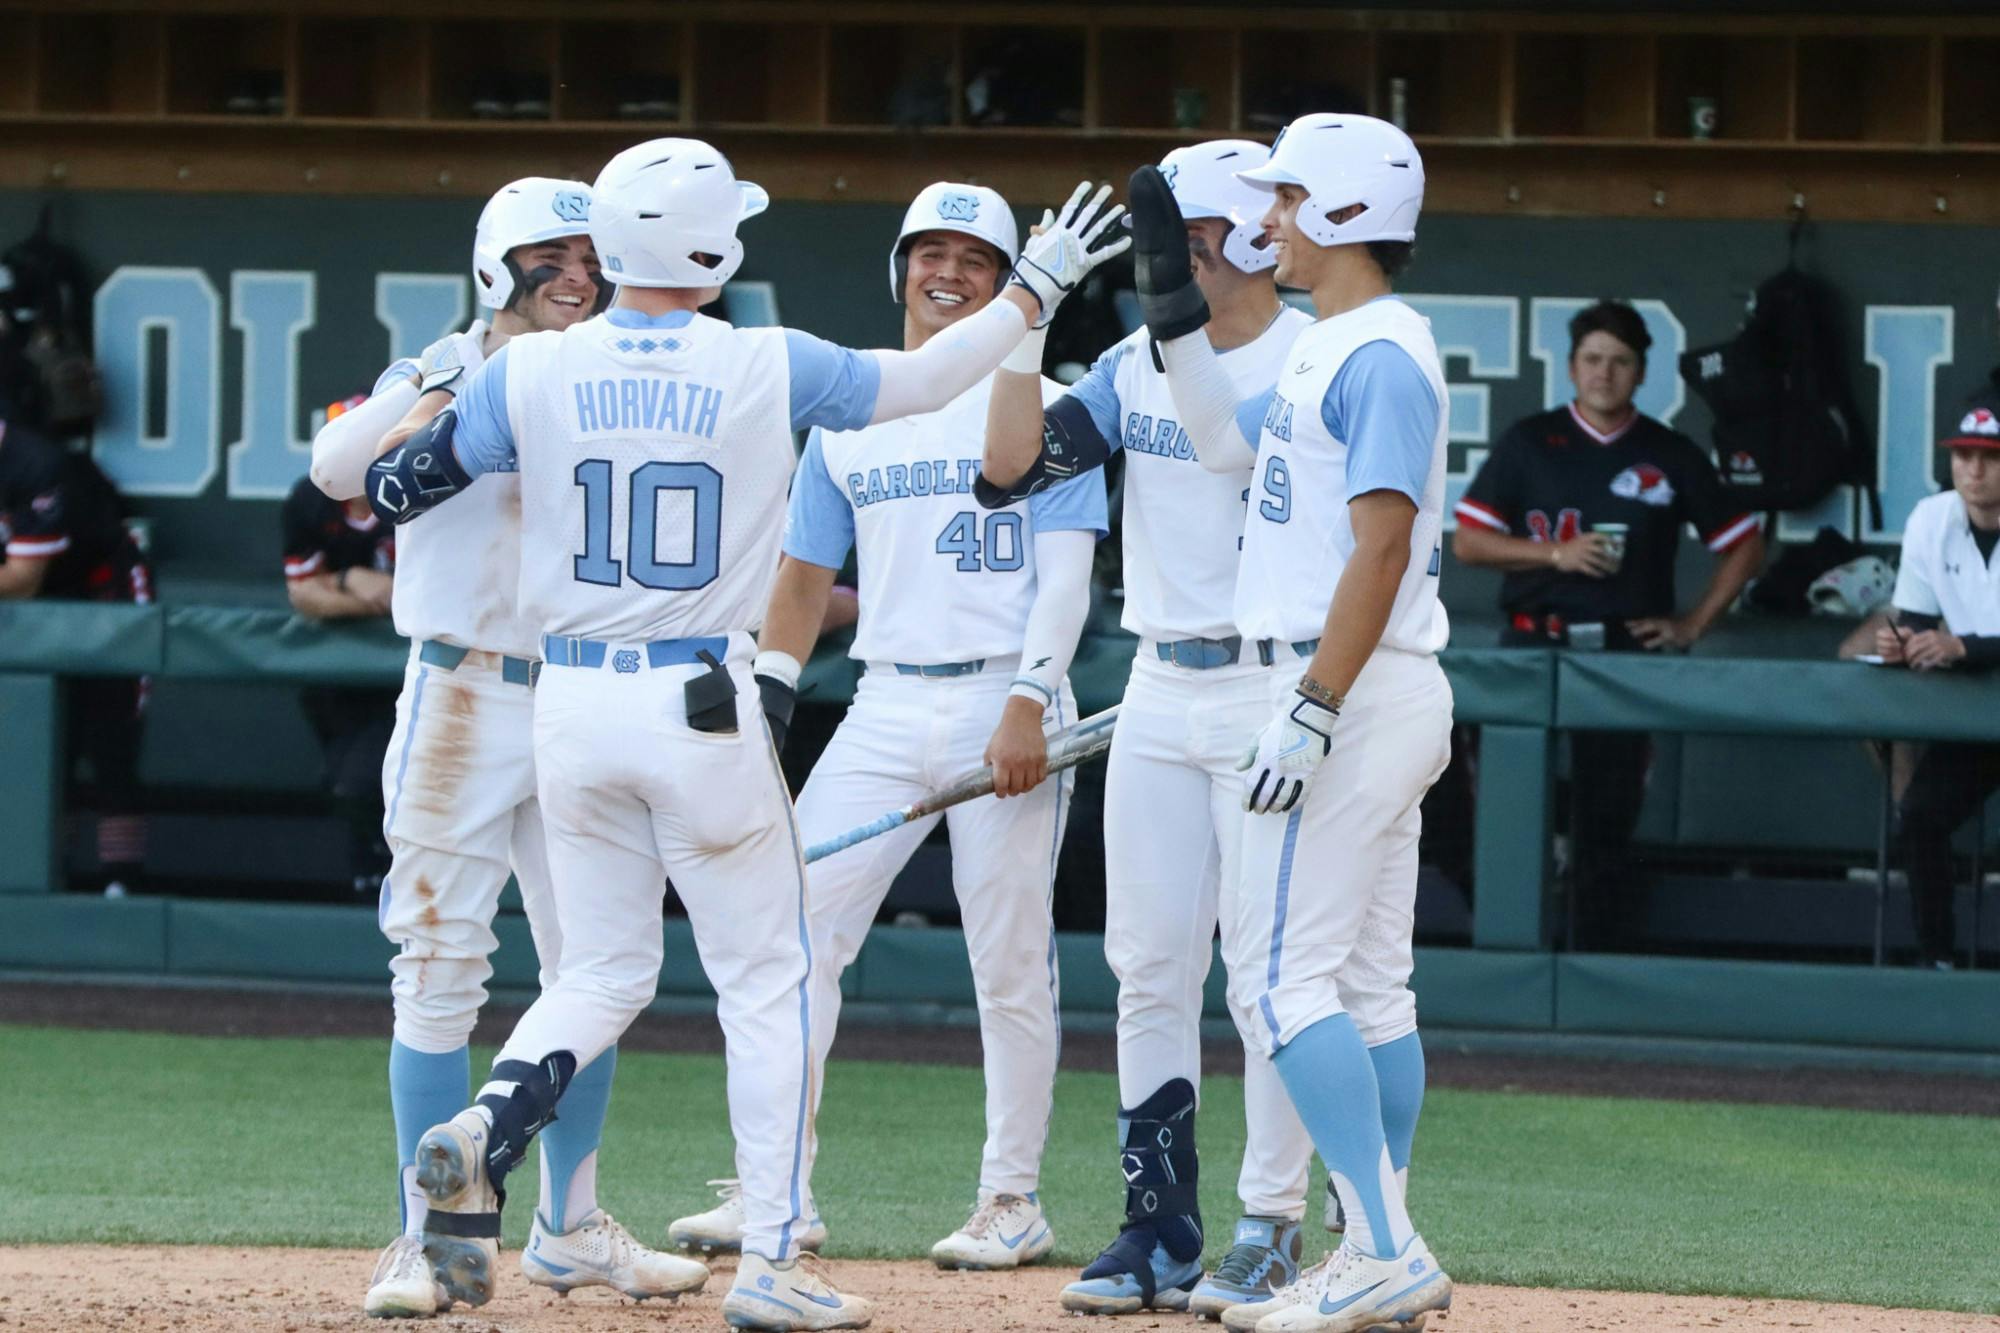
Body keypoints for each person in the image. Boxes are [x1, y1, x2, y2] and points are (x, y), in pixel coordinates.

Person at [364, 138, 1128, 1330]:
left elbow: (394, 484)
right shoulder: (767, 360)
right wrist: (1032, 287)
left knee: (604, 968)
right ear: (714, 248)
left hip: (567, 699)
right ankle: (773, 1258)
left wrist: (445, 382)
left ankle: (484, 1123)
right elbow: (929, 386)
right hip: (693, 701)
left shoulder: (531, 369)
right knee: (767, 980)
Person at [667, 181, 1106, 1273]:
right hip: (882, 699)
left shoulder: (1047, 404)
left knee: (1006, 960)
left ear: (1012, 283)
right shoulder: (856, 408)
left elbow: (1066, 582)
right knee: (794, 933)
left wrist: (1026, 698)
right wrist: (771, 685)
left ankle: (1011, 1196)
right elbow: (804, 574)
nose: (945, 273)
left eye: (973, 256)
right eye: (928, 252)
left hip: (1004, 695)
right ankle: (777, 1190)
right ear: (899, 264)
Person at [308, 177, 706, 1318]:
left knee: (596, 967)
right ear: (497, 264)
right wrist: (444, 382)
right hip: (464, 688)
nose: (574, 274)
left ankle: (571, 1226)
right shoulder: (442, 361)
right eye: (551, 255)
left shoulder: (616, 368)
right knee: (437, 964)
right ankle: (422, 1237)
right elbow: (340, 475)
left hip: (587, 691)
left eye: (590, 255)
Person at [978, 140, 1324, 1322]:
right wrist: (1029, 316)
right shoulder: (1131, 359)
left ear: (1237, 237)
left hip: (1272, 683)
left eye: (1184, 227)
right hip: (1161, 685)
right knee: (1145, 967)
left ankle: (1268, 1222)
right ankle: (1156, 1223)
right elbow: (1008, 467)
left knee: (1265, 976)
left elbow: (1228, 438)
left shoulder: (1312, 355)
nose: (1165, 246)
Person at [1133, 112, 1456, 1333]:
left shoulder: (1376, 351)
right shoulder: (1339, 341)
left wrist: (1311, 703)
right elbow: (1221, 442)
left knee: (1273, 983)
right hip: (1363, 689)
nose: (1267, 220)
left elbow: (1382, 548)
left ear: (1340, 212)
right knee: (1370, 989)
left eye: (1284, 200)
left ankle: (1378, 1245)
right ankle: (1385, 1240)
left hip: (1344, 688)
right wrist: (1172, 302)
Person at [1451, 300, 1764, 943]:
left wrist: (1692, 624)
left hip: (1621, 652)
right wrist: (1553, 554)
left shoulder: (1666, 451)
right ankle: (1507, 948)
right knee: (1501, 812)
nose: (1604, 373)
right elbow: (1470, 542)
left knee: (1607, 820)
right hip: (1531, 645)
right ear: (1572, 367)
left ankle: (1591, 959)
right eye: (1593, 359)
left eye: (1620, 362)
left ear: (1641, 372)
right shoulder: (1531, 441)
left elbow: (1744, 543)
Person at [1866, 392, 2000, 968]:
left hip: (1978, 683)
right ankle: (1937, 963)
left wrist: (1959, 646)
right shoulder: (1932, 517)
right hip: (1975, 710)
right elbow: (1916, 620)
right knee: (1920, 819)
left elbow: (1954, 643)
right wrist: (1901, 644)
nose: (1973, 469)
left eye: (1991, 456)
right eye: (1964, 454)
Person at [0, 411, 150, 894]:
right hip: (38, 599)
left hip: (105, 593)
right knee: (42, 741)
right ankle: (44, 876)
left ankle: (121, 884)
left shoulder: (34, 463)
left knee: (110, 737)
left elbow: (22, 582)